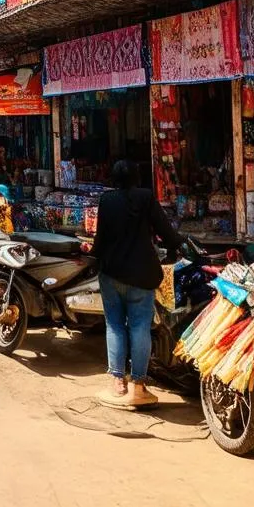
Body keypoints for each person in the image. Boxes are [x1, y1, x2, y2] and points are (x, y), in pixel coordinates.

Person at [92, 160, 183, 409]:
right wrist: (179, 245)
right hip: (142, 273)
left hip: (111, 272)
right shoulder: (146, 197)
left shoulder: (107, 200)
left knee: (114, 325)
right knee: (140, 327)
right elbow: (166, 231)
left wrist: (92, 257)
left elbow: (101, 236)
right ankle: (139, 385)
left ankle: (118, 382)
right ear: (137, 177)